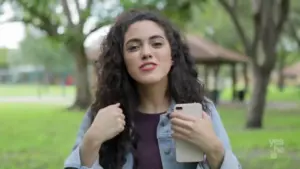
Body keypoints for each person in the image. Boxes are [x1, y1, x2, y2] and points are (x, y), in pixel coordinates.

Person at [64, 9, 241, 169]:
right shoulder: (101, 113)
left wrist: (213, 148)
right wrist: (92, 140)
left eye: (156, 44)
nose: (146, 53)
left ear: (173, 55)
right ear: (122, 60)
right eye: (133, 47)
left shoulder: (202, 111)